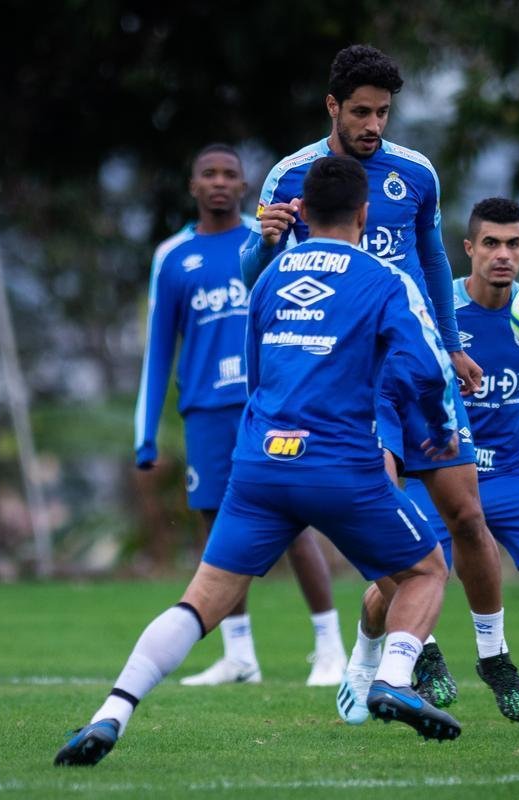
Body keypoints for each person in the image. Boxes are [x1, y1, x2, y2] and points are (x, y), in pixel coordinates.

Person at [56, 155, 464, 767]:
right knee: (427, 569)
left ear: (301, 211)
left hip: (259, 464)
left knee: (200, 601)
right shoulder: (385, 279)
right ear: (363, 212)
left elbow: (255, 372)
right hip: (341, 466)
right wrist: (436, 430)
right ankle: (394, 678)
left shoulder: (268, 278)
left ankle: (111, 712)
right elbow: (428, 368)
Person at [240, 44, 519, 722]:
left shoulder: (414, 174)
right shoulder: (290, 178)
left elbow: (432, 261)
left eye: (383, 113)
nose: (373, 126)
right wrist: (260, 242)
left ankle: (492, 654)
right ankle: (411, 652)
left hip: (422, 372)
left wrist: (453, 347)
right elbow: (254, 283)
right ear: (333, 107)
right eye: (361, 112)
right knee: (387, 526)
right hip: (352, 385)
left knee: (467, 516)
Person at [341, 197, 519, 727]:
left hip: (512, 476)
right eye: (492, 243)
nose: (503, 255)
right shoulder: (433, 308)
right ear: (469, 248)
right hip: (440, 474)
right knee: (401, 579)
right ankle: (362, 661)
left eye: (514, 244)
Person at [133, 143, 345, 687]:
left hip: (268, 404)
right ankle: (238, 655)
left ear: (247, 185)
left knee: (290, 519)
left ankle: (330, 648)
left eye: (231, 173)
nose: (221, 182)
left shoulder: (272, 238)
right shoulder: (174, 258)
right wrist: (146, 437)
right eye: (210, 173)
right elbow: (160, 351)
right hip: (205, 410)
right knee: (215, 528)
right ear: (193, 186)